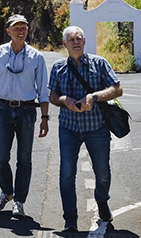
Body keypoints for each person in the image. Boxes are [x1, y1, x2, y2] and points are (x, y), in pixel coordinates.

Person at [48, 26, 123, 232]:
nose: (76, 42)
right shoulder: (58, 68)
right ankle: (70, 219)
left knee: (103, 172)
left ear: (85, 40)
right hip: (69, 128)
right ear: (64, 44)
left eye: (79, 38)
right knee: (66, 174)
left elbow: (117, 89)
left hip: (96, 127)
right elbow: (52, 96)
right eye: (71, 40)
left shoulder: (99, 64)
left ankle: (102, 201)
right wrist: (64, 100)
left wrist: (94, 97)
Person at [0, 14, 49, 219]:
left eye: (24, 27)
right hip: (2, 109)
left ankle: (19, 201)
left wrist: (45, 117)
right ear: (8, 31)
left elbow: (43, 90)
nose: (21, 30)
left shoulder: (37, 57)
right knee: (1, 157)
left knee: (24, 159)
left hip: (27, 111)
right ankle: (6, 192)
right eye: (16, 27)